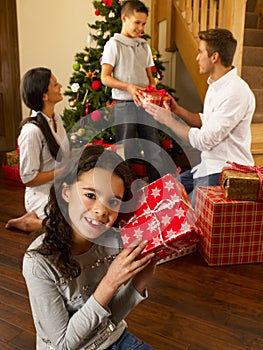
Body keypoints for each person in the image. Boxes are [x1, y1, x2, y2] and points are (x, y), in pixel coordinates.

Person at [23, 144, 156, 350]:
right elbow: (63, 345)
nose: (102, 210)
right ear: (66, 192)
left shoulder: (113, 242)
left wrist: (140, 280)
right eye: (91, 196)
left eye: (113, 201)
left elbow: (110, 317)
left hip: (114, 338)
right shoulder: (38, 262)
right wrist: (110, 283)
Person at [143, 28, 255, 206]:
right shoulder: (216, 84)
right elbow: (206, 121)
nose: (197, 58)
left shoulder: (235, 92)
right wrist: (178, 111)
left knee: (187, 218)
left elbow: (204, 140)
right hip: (207, 166)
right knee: (163, 197)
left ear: (214, 57)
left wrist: (168, 120)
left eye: (200, 52)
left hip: (224, 172)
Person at [101, 0, 174, 183]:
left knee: (153, 145)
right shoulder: (113, 45)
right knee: (125, 146)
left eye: (143, 24)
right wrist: (128, 87)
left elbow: (150, 77)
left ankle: (157, 187)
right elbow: (105, 77)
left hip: (146, 105)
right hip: (125, 104)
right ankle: (124, 188)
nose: (140, 27)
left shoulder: (144, 46)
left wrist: (155, 94)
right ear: (124, 18)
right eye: (137, 23)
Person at [6, 67, 70, 232]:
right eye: (55, 85)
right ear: (44, 96)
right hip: (41, 195)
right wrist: (62, 171)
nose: (60, 86)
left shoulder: (57, 120)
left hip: (60, 187)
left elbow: (63, 155)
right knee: (74, 227)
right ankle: (30, 222)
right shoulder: (31, 131)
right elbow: (28, 178)